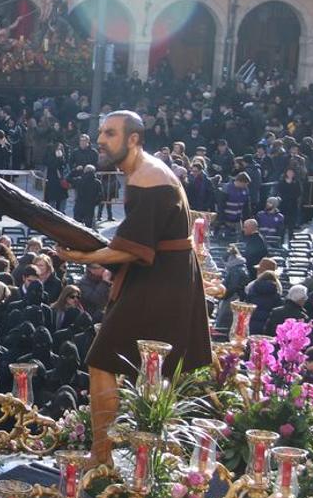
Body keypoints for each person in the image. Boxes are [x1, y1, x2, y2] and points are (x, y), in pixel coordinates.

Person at [59, 111, 211, 464]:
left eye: (110, 133)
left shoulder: (148, 178)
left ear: (133, 139)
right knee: (145, 371)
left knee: (103, 361)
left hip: (160, 279)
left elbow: (130, 247)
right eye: (100, 132)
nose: (100, 140)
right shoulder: (146, 174)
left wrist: (82, 257)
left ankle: (103, 457)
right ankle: (136, 457)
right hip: (161, 276)